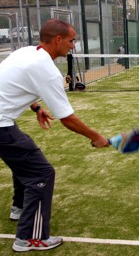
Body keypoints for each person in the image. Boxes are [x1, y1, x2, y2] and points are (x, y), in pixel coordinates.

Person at [0, 19, 109, 252]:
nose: (73, 45)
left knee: (25, 162)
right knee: (41, 173)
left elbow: (11, 83)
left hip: (3, 122)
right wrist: (96, 137)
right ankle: (30, 238)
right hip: (1, 125)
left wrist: (36, 108)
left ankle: (19, 208)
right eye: (71, 41)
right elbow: (67, 118)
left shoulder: (27, 52)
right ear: (58, 40)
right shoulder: (46, 70)